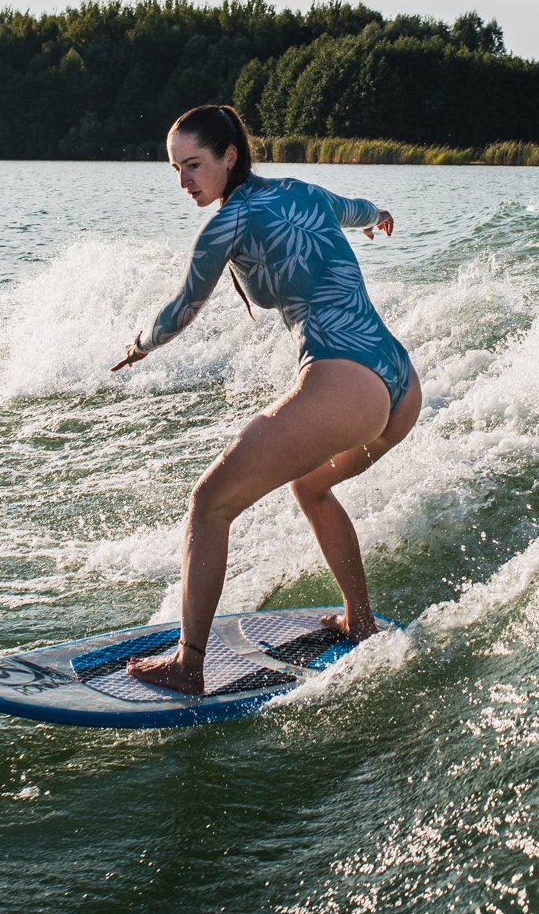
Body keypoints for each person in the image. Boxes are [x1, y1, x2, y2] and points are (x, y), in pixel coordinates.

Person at [111, 103, 421, 694]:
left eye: (195, 165)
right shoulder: (302, 190)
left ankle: (188, 662)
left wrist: (140, 344)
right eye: (176, 169)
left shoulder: (226, 224)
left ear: (230, 156)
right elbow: (355, 210)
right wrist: (379, 215)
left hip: (348, 381)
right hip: (399, 378)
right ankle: (359, 622)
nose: (185, 182)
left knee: (209, 503)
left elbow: (183, 308)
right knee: (312, 485)